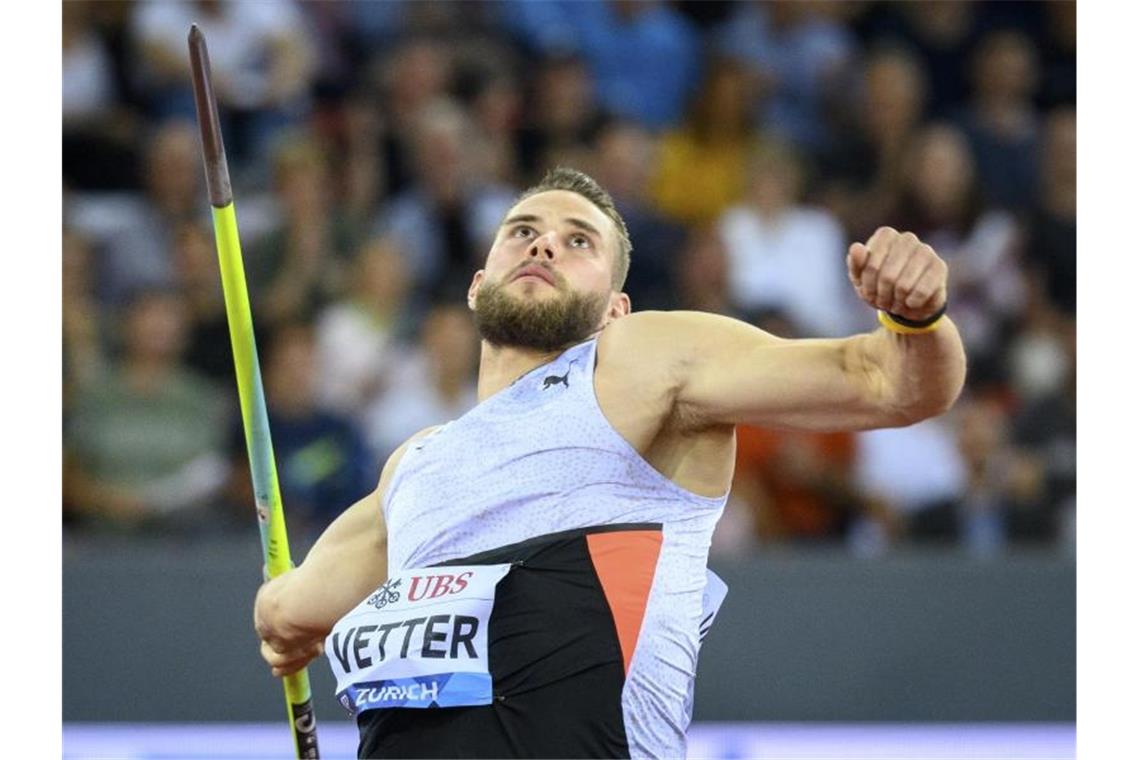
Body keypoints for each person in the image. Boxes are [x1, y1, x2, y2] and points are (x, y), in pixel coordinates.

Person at [254, 167, 965, 758]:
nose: (544, 247)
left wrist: (916, 318)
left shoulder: (641, 362)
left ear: (616, 309)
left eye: (578, 241)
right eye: (523, 232)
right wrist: (280, 615)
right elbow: (288, 614)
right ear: (477, 284)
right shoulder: (414, 467)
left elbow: (892, 383)